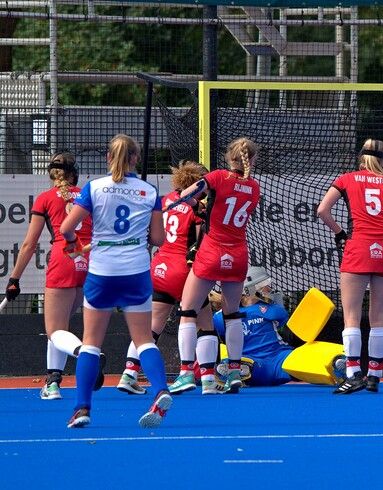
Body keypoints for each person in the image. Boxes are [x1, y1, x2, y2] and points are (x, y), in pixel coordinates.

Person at [60, 134, 172, 428]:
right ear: (136, 159)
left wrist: (73, 242)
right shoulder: (149, 191)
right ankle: (161, 389)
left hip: (102, 273)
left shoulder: (94, 188)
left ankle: (82, 408)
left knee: (91, 343)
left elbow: (67, 227)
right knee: (144, 339)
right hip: (135, 272)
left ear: (108, 158)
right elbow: (159, 239)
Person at [4, 152, 106, 400]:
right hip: (90, 259)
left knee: (54, 331)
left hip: (64, 259)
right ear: (74, 173)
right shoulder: (88, 194)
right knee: (61, 329)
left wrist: (14, 279)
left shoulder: (46, 198)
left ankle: (85, 353)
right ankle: (52, 382)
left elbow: (29, 244)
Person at [316, 138, 383, 394]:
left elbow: (323, 210)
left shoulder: (346, 179)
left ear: (361, 158)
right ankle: (375, 376)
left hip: (358, 248)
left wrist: (340, 234)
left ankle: (353, 373)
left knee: (351, 316)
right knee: (379, 316)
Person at [116, 161, 212, 395]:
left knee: (150, 329)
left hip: (159, 268)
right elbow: (198, 245)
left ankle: (129, 373)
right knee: (205, 323)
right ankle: (204, 378)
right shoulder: (196, 208)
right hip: (182, 270)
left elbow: (154, 234)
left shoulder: (165, 201)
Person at [176, 137, 260, 395]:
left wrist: (195, 206)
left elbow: (186, 195)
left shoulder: (218, 177)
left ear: (228, 157)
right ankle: (234, 372)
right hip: (238, 254)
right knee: (232, 313)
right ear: (252, 159)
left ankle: (186, 373)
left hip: (212, 250)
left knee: (188, 310)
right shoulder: (254, 187)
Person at [210, 267, 346, 390]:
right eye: (264, 285)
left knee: (250, 366)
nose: (269, 289)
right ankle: (334, 364)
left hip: (274, 359)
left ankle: (235, 369)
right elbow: (281, 318)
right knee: (301, 362)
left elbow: (213, 330)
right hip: (278, 358)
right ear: (249, 289)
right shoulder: (272, 310)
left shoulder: (222, 317)